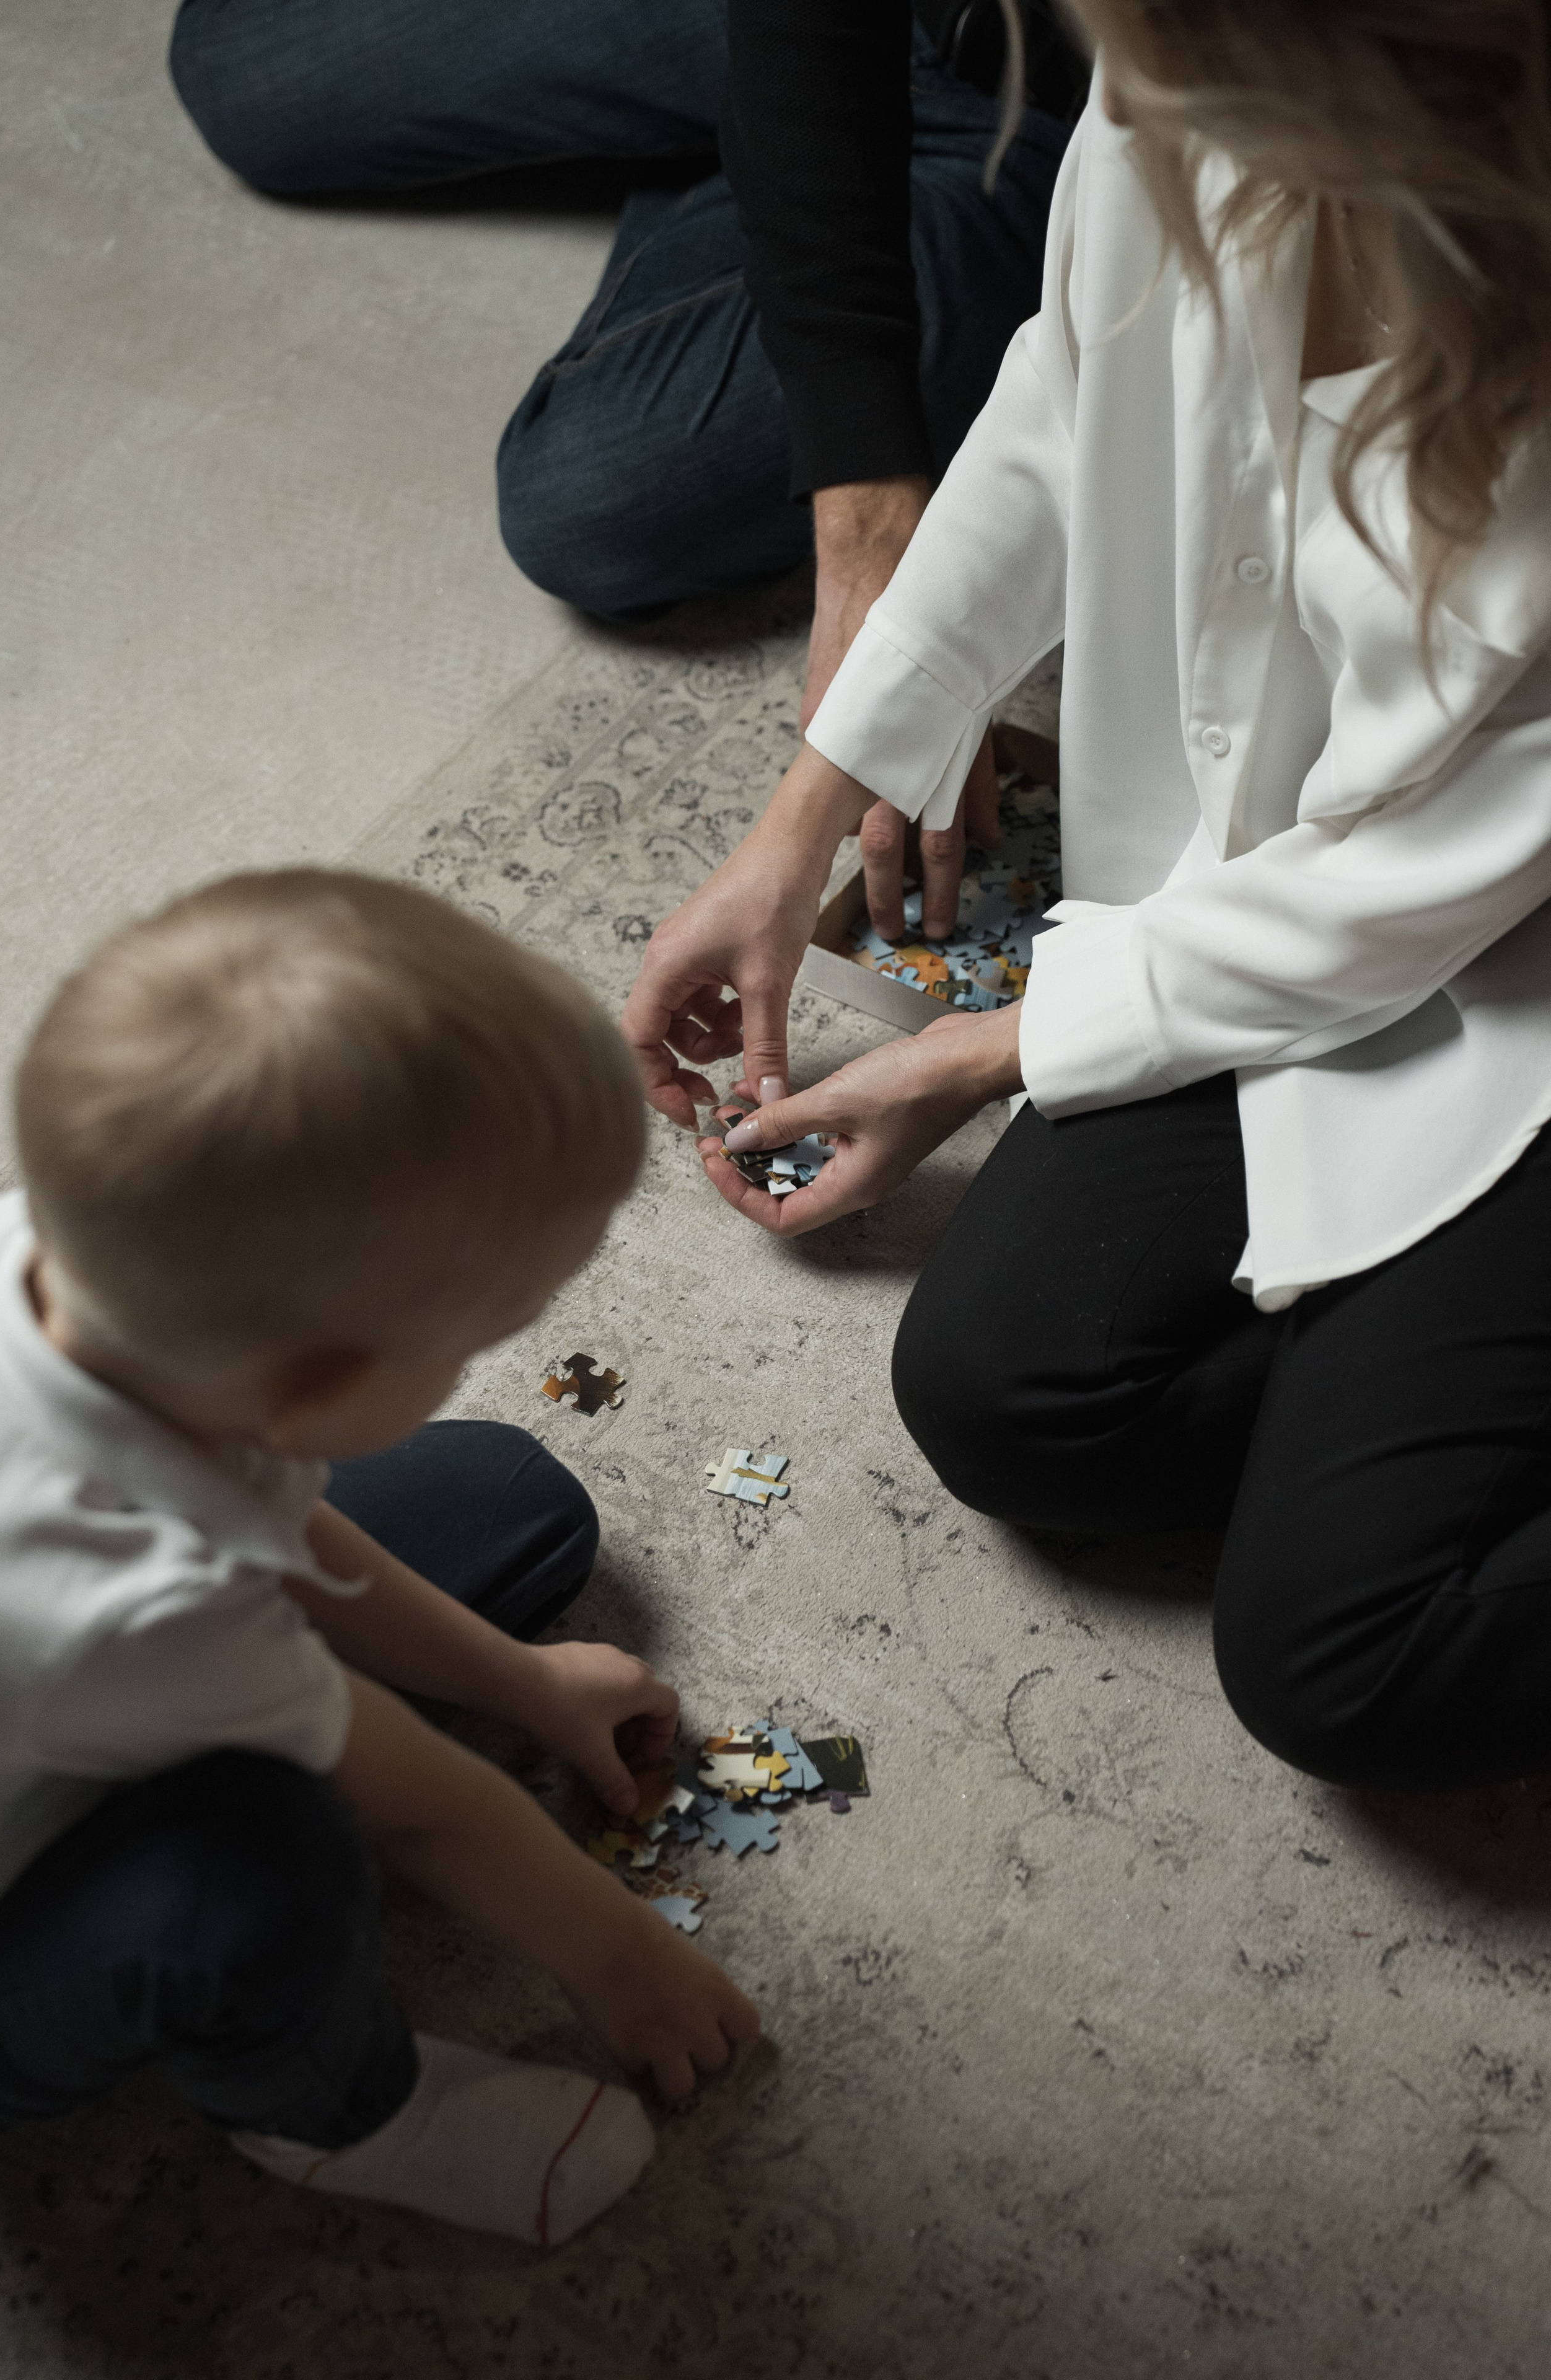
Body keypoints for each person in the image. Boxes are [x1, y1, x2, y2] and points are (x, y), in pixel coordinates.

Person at [623, 0, 1551, 1796]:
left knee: (1346, 1655)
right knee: (1009, 1398)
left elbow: (1421, 882)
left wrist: (983, 1054)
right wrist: (804, 812)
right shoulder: (1188, 56)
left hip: (1507, 946)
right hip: (1281, 897)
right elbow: (1070, 400)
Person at [0, 870, 758, 2244]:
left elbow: (267, 1511)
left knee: (508, 1498)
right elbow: (427, 1809)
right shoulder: (142, 1602)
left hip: (47, 1674)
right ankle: (336, 2114)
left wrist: (522, 1682)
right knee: (263, 1877)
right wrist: (622, 1956)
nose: (488, 1354)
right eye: (477, 1337)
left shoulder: (45, 1246)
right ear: (312, 1390)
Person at [165, 0, 1085, 900]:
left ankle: (762, 160)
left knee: (588, 492)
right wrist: (864, 511)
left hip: (1050, 107)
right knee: (239, 71)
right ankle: (764, 150)